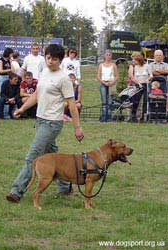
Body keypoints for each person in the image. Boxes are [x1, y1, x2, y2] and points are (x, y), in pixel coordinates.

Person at [6, 44, 84, 203]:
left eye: (54, 59)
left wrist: (77, 128)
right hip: (40, 120)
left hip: (52, 123)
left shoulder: (64, 79)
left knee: (32, 157)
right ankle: (65, 186)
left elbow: (72, 104)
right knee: (54, 155)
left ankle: (16, 191)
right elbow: (36, 94)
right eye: (48, 57)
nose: (50, 61)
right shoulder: (45, 72)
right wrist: (22, 108)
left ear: (60, 60)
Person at [97, 50, 119, 122]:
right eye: (107, 55)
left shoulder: (113, 65)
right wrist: (103, 82)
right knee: (104, 101)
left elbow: (116, 76)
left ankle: (109, 118)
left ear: (111, 56)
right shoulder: (101, 65)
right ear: (104, 56)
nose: (108, 56)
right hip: (103, 84)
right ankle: (103, 117)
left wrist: (112, 82)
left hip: (111, 84)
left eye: (109, 55)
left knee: (110, 101)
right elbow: (98, 76)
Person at [128, 53, 151, 122]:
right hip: (138, 85)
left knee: (145, 101)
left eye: (136, 60)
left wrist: (148, 79)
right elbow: (133, 77)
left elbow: (151, 75)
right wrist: (138, 83)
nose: (134, 62)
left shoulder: (147, 66)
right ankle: (133, 115)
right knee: (136, 100)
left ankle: (143, 116)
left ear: (139, 60)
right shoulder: (135, 67)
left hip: (146, 84)